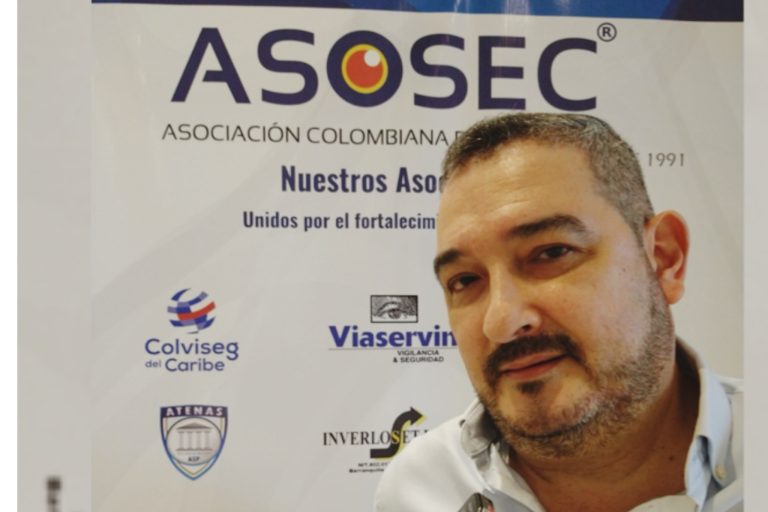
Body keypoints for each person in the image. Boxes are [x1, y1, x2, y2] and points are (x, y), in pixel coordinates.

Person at [374, 113, 742, 512]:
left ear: (663, 258)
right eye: (464, 280)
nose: (501, 321)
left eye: (551, 253)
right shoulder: (421, 488)